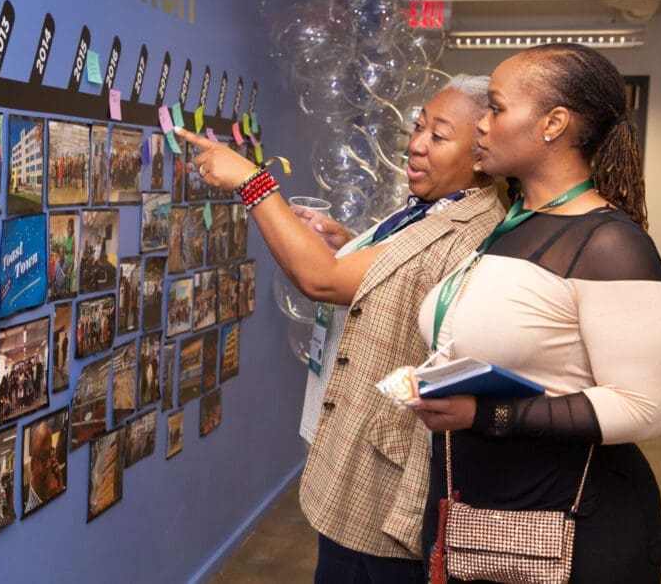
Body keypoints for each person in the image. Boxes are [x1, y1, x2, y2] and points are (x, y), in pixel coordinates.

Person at [175, 75, 503, 583]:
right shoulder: (437, 208)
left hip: (384, 495)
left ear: (482, 153)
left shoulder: (467, 229)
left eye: (438, 137)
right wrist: (351, 244)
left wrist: (251, 181)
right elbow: (399, 274)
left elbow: (322, 281)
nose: (416, 145)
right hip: (356, 479)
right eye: (417, 127)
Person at [409, 44, 661, 583]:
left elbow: (643, 407)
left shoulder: (609, 244)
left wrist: (483, 415)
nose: (480, 125)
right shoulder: (514, 221)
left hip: (570, 534)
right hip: (480, 518)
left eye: (496, 109)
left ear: (554, 123)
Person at [25, 419, 64, 512]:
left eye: (50, 453)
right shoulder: (31, 512)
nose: (49, 464)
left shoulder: (51, 490)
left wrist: (61, 488)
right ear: (33, 464)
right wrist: (55, 500)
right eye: (43, 457)